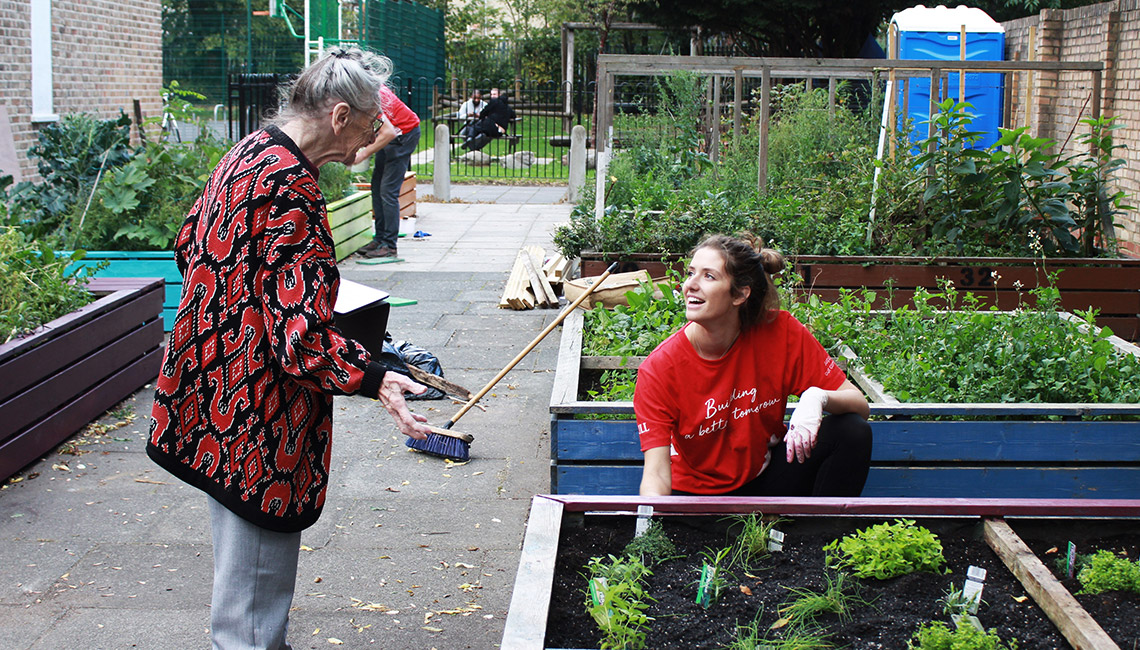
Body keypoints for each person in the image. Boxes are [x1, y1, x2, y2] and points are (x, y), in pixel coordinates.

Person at [147, 46, 433, 650]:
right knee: (251, 610)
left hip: (211, 388)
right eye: (368, 121)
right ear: (338, 116)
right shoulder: (289, 186)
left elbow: (188, 244)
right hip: (257, 415)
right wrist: (376, 374)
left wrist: (241, 311)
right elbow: (300, 341)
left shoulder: (248, 153)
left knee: (242, 589)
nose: (373, 134)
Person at [635, 233, 872, 497]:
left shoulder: (781, 333)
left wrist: (818, 397)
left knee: (851, 431)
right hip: (695, 498)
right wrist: (647, 531)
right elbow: (655, 473)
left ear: (740, 295)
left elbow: (859, 405)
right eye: (690, 273)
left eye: (708, 276)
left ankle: (819, 536)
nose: (690, 285)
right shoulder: (659, 368)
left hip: (764, 482)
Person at [355, 85, 421, 259]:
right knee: (376, 187)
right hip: (393, 134)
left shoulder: (375, 97)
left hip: (404, 136)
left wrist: (363, 154)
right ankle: (380, 239)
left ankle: (390, 246)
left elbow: (388, 132)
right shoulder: (364, 91)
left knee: (387, 191)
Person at [461, 86, 516, 152]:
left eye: (494, 94)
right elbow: (513, 116)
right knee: (482, 134)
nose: (492, 96)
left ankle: (470, 139)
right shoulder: (508, 107)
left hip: (491, 125)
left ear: (499, 95)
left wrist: (484, 116)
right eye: (491, 94)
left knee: (474, 127)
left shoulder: (494, 102)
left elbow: (483, 112)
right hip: (500, 131)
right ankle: (473, 146)